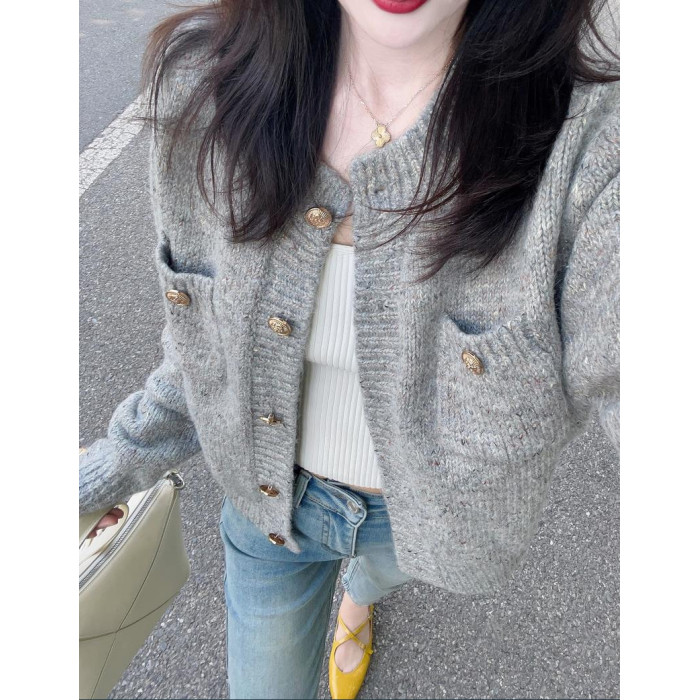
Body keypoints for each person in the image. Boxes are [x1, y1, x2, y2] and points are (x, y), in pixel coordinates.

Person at [79, 0, 620, 698]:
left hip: (419, 520)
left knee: (383, 569)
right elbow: (200, 348)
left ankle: (361, 597)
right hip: (266, 509)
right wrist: (108, 468)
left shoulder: (588, 142)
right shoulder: (202, 92)